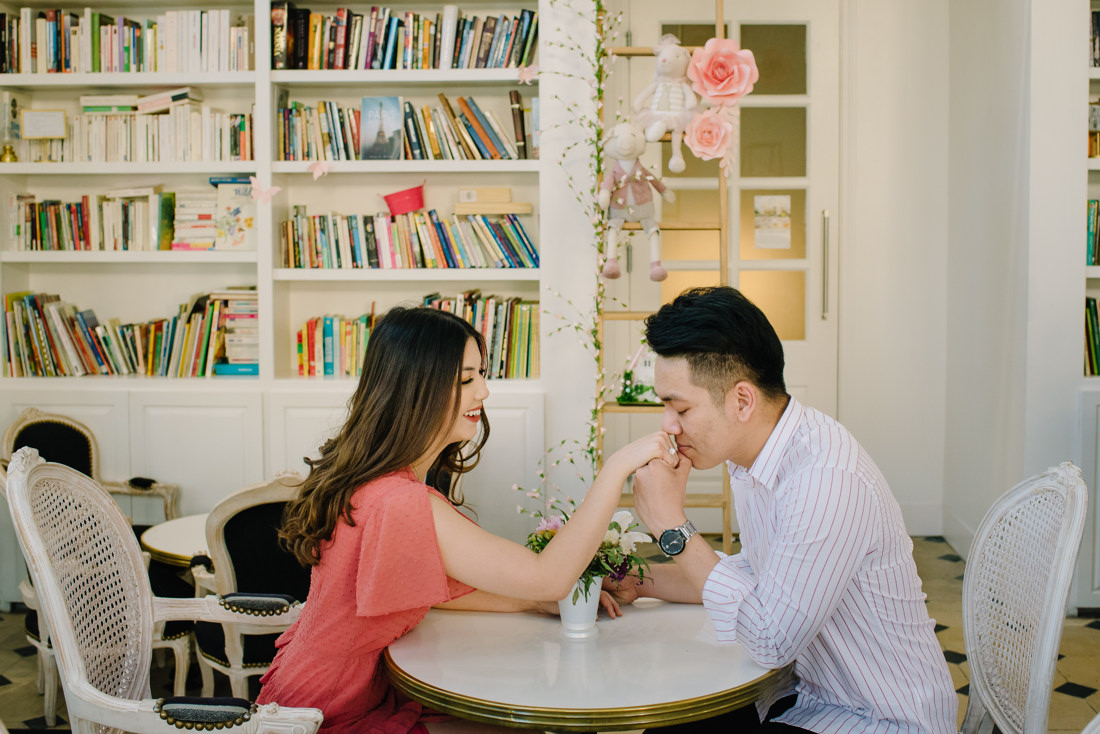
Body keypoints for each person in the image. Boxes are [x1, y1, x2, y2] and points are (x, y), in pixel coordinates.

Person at [256, 306, 678, 734]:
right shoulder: (400, 500)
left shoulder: (377, 483)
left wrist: (531, 602)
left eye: (481, 374)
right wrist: (617, 468)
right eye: (466, 379)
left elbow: (427, 591)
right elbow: (548, 576)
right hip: (324, 714)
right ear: (417, 389)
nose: (484, 392)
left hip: (320, 691)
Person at [605, 286, 956, 734]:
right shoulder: (755, 454)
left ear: (742, 401)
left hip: (879, 718)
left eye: (681, 408)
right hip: (810, 693)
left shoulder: (824, 480)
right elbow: (758, 578)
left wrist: (673, 528)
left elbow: (770, 639)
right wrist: (638, 581)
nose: (668, 425)